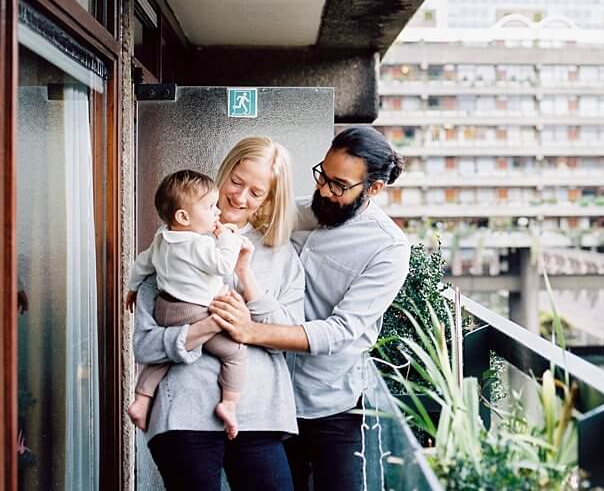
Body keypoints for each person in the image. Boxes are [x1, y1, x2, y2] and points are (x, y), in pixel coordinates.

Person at [211, 126, 411, 491]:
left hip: (330, 403)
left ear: (373, 189)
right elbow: (242, 221)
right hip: (270, 396)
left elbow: (340, 331)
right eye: (323, 175)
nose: (323, 190)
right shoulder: (297, 213)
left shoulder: (389, 248)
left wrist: (252, 330)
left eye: (338, 185)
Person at [132, 137, 305, 491]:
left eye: (256, 193)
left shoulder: (280, 254)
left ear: (270, 199)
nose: (240, 198)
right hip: (183, 415)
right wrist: (201, 329)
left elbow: (288, 339)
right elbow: (146, 347)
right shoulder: (172, 241)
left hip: (259, 415)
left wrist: (246, 280)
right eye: (237, 182)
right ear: (225, 172)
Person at [125, 169, 253, 438]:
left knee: (167, 356)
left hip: (166, 308)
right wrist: (227, 239)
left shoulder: (161, 238)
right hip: (195, 311)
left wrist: (133, 289)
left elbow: (141, 263)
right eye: (210, 207)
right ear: (183, 217)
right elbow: (223, 266)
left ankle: (140, 401)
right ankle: (229, 405)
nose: (217, 213)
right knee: (234, 352)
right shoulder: (199, 245)